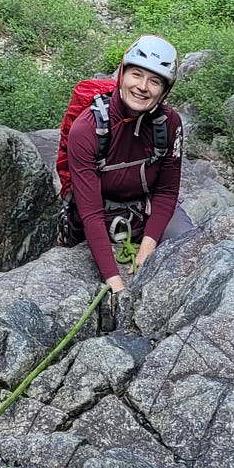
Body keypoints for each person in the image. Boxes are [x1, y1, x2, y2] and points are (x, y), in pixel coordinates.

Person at [63, 34, 192, 299]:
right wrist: (116, 285)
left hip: (145, 210)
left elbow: (167, 192)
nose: (143, 87)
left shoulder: (169, 124)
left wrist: (147, 248)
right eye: (136, 74)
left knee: (188, 246)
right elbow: (91, 214)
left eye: (155, 81)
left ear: (164, 91)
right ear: (122, 75)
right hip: (100, 214)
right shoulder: (87, 129)